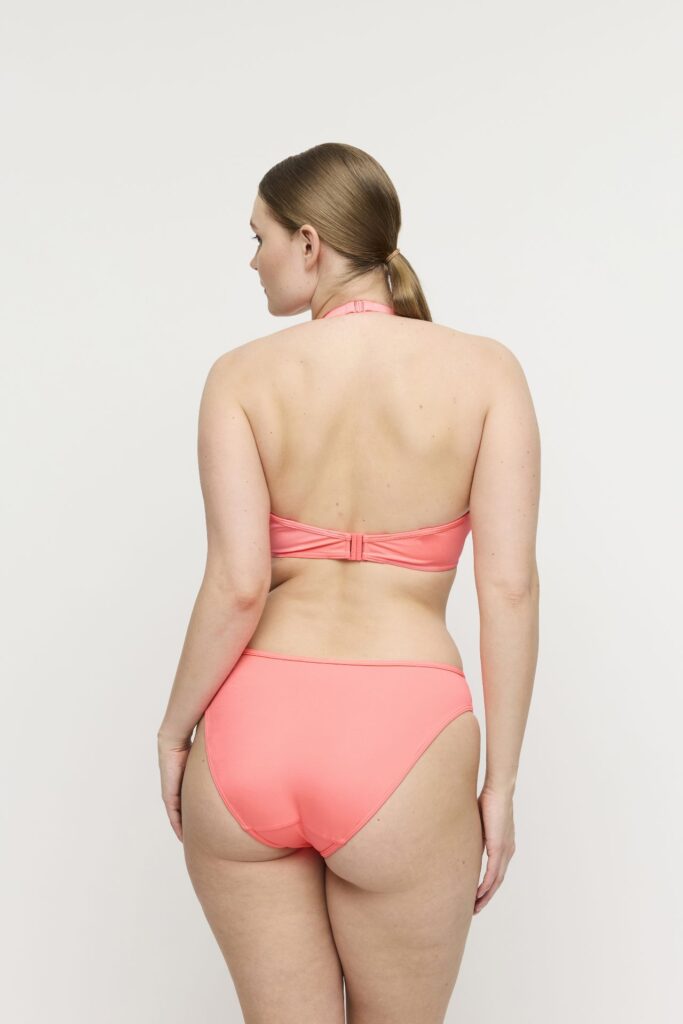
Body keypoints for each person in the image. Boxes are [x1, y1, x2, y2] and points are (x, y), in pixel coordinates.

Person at [157, 142, 540, 1024]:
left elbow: (238, 585)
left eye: (257, 237)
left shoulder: (239, 377)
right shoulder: (487, 372)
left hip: (251, 734)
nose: (252, 260)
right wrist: (500, 787)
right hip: (402, 740)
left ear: (308, 242)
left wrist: (175, 733)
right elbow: (509, 590)